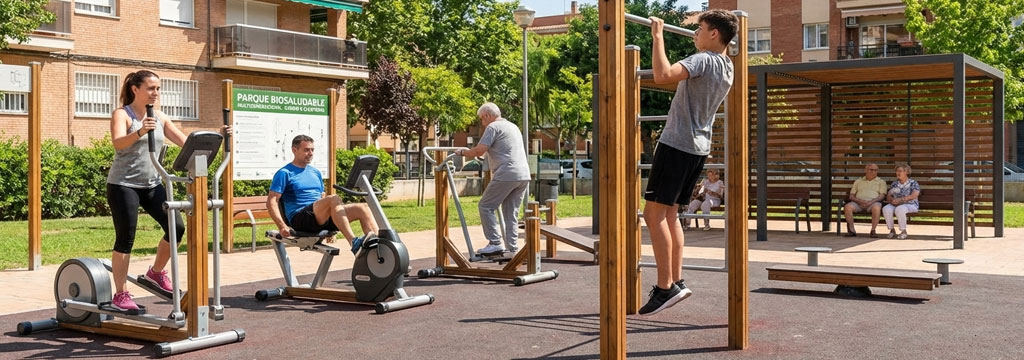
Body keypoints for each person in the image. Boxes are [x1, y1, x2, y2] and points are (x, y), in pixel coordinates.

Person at [639, 10, 738, 316]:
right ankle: (676, 281)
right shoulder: (728, 66)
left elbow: (662, 76)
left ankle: (665, 287)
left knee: (652, 214)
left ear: (714, 35)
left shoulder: (704, 59)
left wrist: (657, 36)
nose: (695, 34)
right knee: (670, 215)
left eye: (700, 28)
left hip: (677, 144)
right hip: (697, 149)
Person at [106, 70, 230, 312]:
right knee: (126, 238)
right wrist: (140, 131)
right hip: (123, 184)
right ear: (135, 89)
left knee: (177, 227)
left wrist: (218, 135)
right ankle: (120, 295)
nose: (156, 93)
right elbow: (118, 143)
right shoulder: (122, 114)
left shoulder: (160, 117)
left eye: (158, 89)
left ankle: (155, 272)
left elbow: (188, 142)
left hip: (152, 183)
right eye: (151, 88)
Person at [267, 135, 379, 254]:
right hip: (300, 218)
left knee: (362, 208)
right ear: (294, 150)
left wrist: (336, 221)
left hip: (318, 216)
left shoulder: (315, 172)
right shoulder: (285, 173)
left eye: (312, 150)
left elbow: (321, 199)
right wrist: (282, 226)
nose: (310, 153)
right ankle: (354, 243)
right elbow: (271, 202)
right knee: (333, 198)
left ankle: (380, 249)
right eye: (306, 150)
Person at [456, 103, 530, 255]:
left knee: (486, 206)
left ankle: (495, 242)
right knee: (511, 212)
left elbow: (480, 150)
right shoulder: (512, 126)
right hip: (523, 175)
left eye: (482, 119)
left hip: (506, 173)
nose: (482, 124)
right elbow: (491, 151)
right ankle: (512, 248)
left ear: (488, 116)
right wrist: (476, 153)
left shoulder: (492, 127)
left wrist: (463, 152)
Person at [842, 163, 887, 237]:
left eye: (876, 170)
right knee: (848, 207)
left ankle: (873, 230)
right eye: (871, 170)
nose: (874, 172)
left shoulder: (881, 182)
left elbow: (882, 196)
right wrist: (860, 201)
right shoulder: (858, 181)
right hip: (858, 203)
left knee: (877, 207)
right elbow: (851, 196)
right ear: (865, 170)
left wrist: (870, 202)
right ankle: (851, 230)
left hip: (873, 203)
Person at [883, 163, 920, 239]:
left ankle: (903, 231)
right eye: (897, 171)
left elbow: (914, 195)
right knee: (886, 209)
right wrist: (892, 201)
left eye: (900, 171)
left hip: (911, 204)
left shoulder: (913, 183)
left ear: (906, 172)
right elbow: (889, 195)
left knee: (900, 209)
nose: (898, 173)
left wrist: (901, 200)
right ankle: (892, 230)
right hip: (897, 204)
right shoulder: (895, 184)